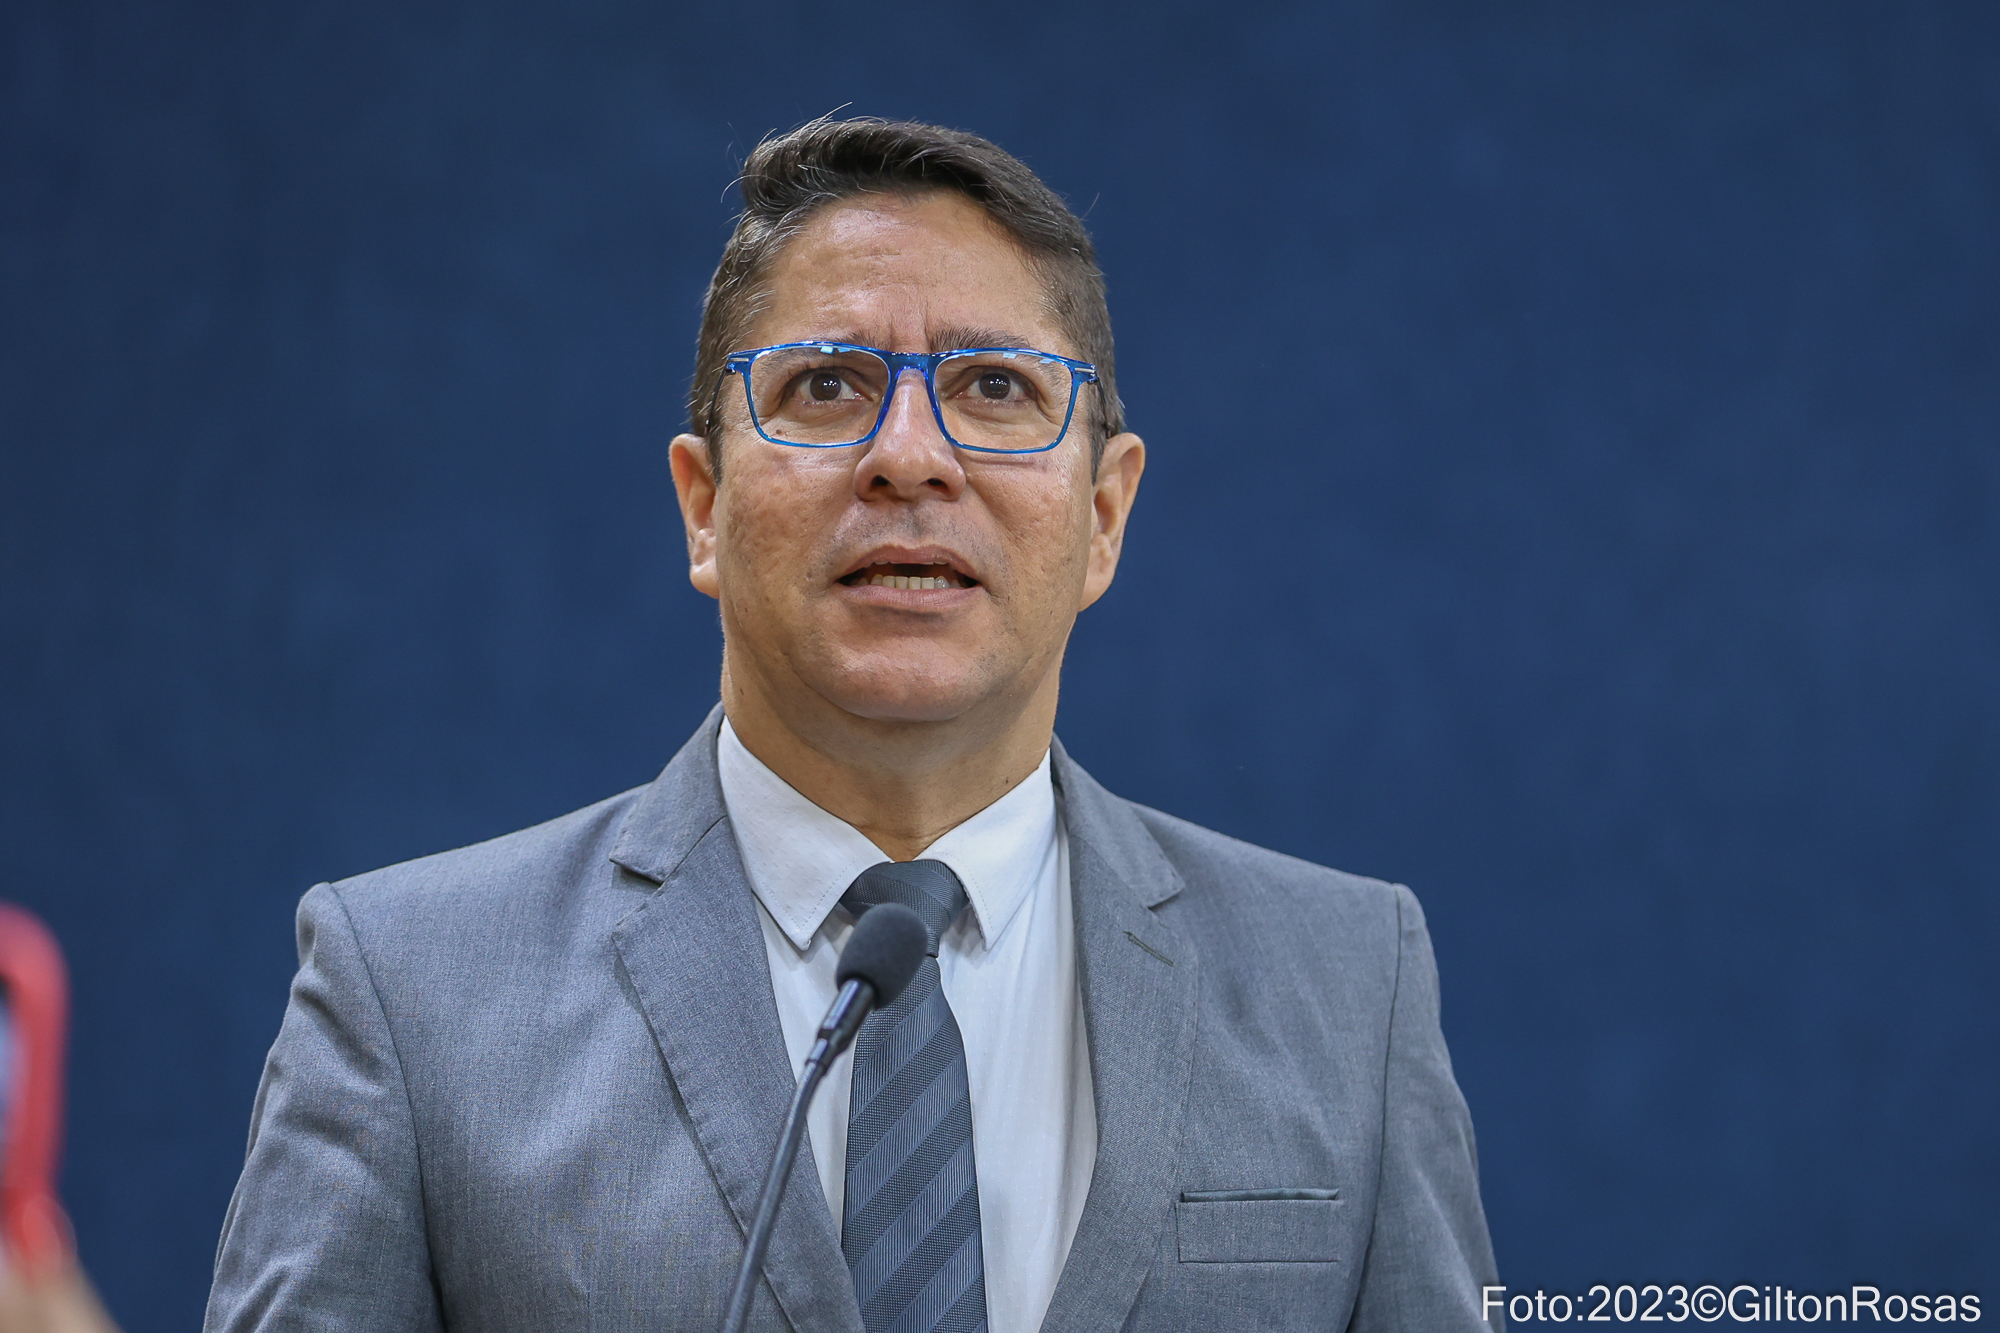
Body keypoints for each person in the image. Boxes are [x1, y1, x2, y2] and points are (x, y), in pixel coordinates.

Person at [204, 117, 1502, 1333]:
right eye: (827, 385)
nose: (911, 454)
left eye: (995, 387)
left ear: (1105, 516)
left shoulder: (1352, 986)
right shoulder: (412, 995)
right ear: (703, 506)